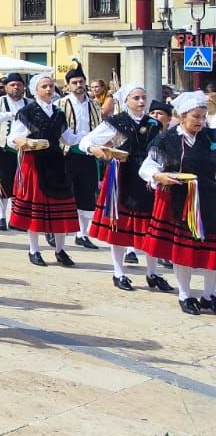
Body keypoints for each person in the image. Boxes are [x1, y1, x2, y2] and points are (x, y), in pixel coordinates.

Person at [80, 83, 163, 293]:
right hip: (121, 176)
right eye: (136, 98)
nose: (141, 102)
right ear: (125, 101)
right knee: (119, 226)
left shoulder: (153, 123)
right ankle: (118, 272)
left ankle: (152, 273)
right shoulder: (116, 123)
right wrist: (96, 149)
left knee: (149, 227)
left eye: (143, 97)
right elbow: (86, 141)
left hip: (146, 176)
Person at [140, 92, 216, 314]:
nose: (201, 121)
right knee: (184, 249)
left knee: (212, 249)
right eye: (196, 117)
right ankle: (185, 294)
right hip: (180, 201)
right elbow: (147, 167)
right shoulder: (167, 140)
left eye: (203, 116)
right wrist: (158, 176)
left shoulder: (211, 138)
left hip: (210, 199)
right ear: (182, 116)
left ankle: (209, 294)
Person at [7, 73, 83, 267]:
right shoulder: (27, 111)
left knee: (61, 207)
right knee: (36, 209)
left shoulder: (58, 113)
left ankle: (60, 250)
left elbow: (68, 138)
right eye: (44, 87)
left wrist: (90, 138)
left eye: (51, 86)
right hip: (34, 163)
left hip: (56, 162)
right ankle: (34, 250)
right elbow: (13, 138)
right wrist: (26, 142)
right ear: (35, 90)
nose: (49, 90)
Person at [60, 64, 103, 249]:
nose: (78, 85)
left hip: (88, 152)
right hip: (67, 153)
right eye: (74, 82)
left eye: (81, 82)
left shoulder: (93, 103)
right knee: (64, 192)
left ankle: (82, 233)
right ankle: (57, 231)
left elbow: (100, 126)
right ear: (68, 85)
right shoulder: (61, 104)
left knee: (86, 192)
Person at [0, 73, 29, 230]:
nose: (16, 87)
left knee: (21, 184)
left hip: (23, 151)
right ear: (6, 87)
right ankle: (2, 216)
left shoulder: (29, 103)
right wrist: (5, 116)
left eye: (19, 84)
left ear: (24, 87)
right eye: (12, 84)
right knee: (2, 183)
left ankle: (17, 218)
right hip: (1, 149)